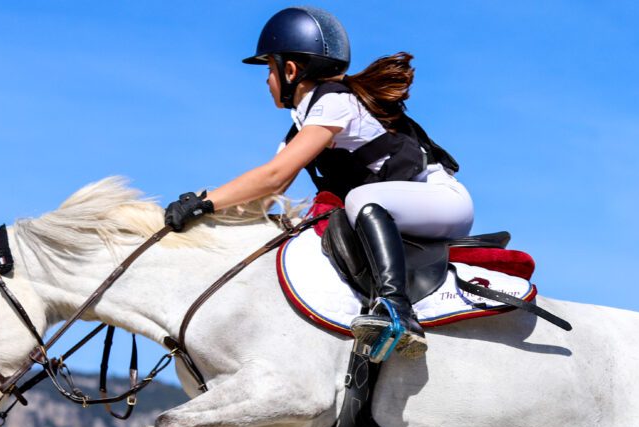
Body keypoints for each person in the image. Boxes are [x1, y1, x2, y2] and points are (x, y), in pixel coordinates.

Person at [165, 6, 473, 361]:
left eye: (269, 68)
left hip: (443, 203)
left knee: (359, 199)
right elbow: (265, 198)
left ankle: (397, 312)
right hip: (397, 209)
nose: (267, 79)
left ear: (290, 70)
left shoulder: (335, 102)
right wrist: (199, 227)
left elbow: (273, 176)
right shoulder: (302, 127)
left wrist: (202, 201)